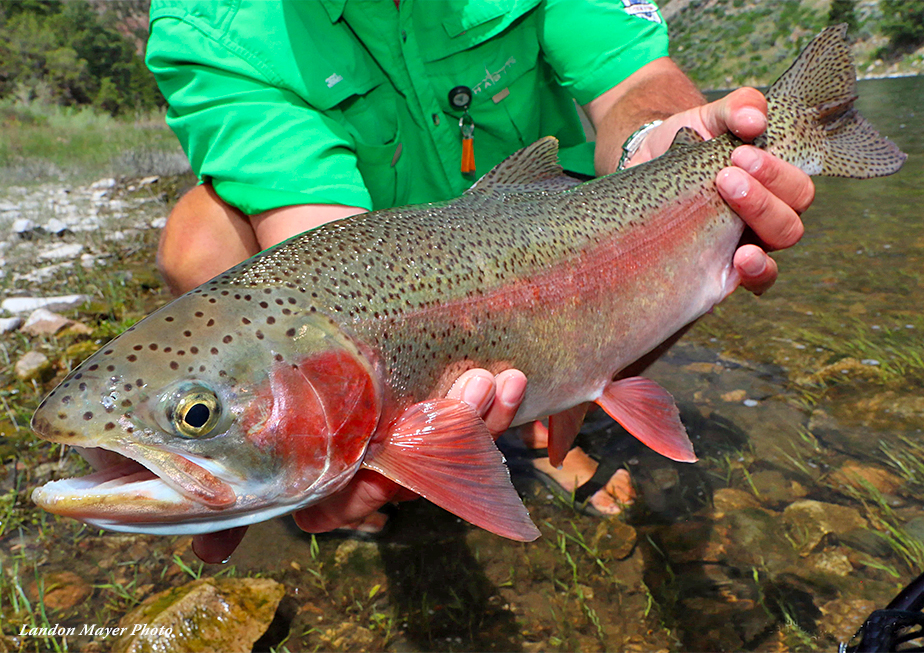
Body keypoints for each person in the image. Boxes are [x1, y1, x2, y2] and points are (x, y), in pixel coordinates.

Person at [145, 0, 814, 562]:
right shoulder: (210, 24)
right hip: (393, 252)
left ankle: (558, 415)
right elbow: (322, 262)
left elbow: (636, 79)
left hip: (554, 226)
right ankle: (344, 461)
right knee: (201, 238)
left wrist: (656, 145)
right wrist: (353, 424)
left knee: (670, 222)